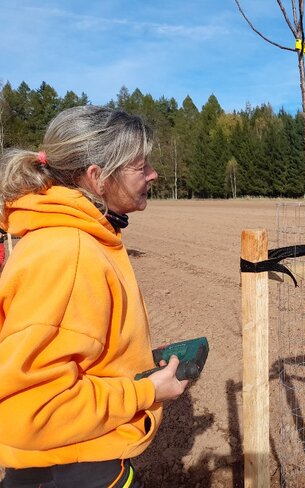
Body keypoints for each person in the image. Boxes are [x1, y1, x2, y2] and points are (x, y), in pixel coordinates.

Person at [0, 105, 190, 487]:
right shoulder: (67, 253)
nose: (153, 173)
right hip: (74, 470)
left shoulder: (76, 241)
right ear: (97, 177)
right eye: (141, 166)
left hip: (72, 459)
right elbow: (30, 407)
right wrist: (144, 391)